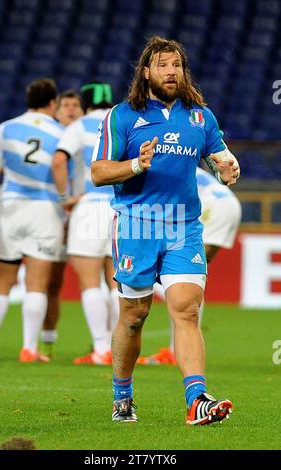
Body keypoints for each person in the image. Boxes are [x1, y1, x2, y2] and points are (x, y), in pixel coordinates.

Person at [91, 36, 240, 425]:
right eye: (162, 65)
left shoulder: (200, 117)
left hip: (184, 226)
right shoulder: (122, 115)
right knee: (135, 315)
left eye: (176, 65)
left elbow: (220, 158)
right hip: (136, 225)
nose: (170, 71)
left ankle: (197, 399)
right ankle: (122, 395)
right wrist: (136, 166)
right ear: (146, 72)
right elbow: (98, 172)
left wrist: (228, 169)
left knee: (186, 310)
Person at [0, 78, 65, 363]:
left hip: (10, 207)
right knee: (36, 283)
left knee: (3, 280)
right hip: (46, 210)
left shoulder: (6, 128)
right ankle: (29, 348)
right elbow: (65, 173)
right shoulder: (61, 133)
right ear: (52, 103)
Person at [140, 166, 242, 364]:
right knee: (192, 275)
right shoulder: (181, 160)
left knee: (183, 277)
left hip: (212, 208)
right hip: (228, 204)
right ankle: (176, 349)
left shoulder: (157, 168)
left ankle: (175, 351)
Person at [52, 81, 119, 365]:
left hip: (89, 206)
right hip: (119, 209)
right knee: (117, 283)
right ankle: (119, 347)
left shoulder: (78, 127)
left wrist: (66, 196)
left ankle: (101, 349)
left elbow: (58, 160)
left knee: (90, 282)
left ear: (85, 102)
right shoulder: (121, 122)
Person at [41, 89, 83, 356]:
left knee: (100, 280)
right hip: (56, 215)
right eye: (65, 105)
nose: (70, 109)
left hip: (85, 214)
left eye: (74, 105)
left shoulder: (88, 136)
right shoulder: (52, 139)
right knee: (51, 282)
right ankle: (48, 339)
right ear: (56, 111)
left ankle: (104, 343)